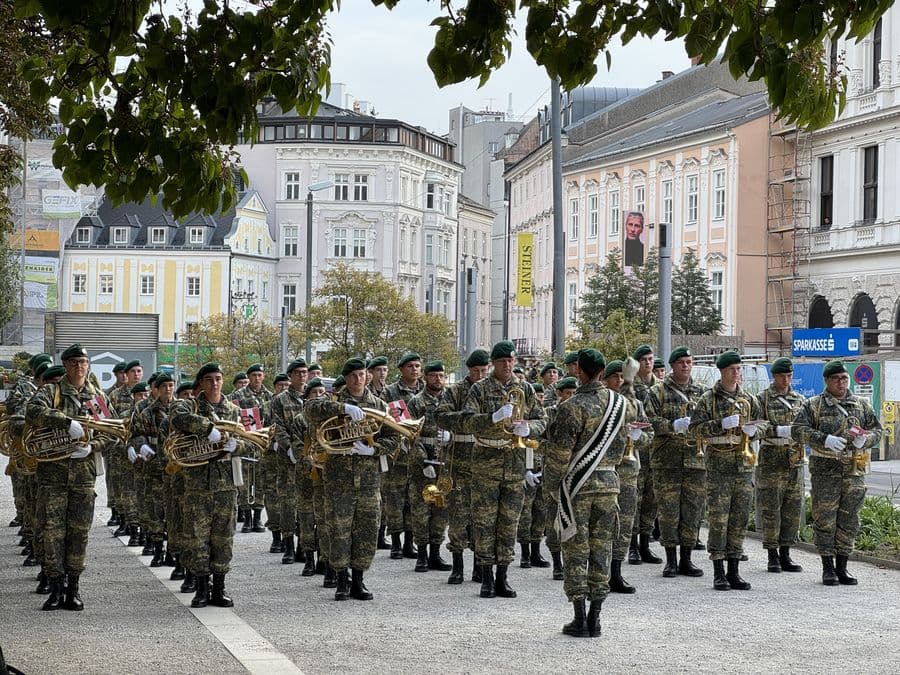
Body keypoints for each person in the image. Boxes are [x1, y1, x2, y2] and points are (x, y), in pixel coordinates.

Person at [544, 349, 633, 638]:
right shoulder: (622, 404)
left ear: (579, 370)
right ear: (603, 370)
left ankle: (579, 618)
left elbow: (558, 456)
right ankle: (596, 618)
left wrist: (551, 488)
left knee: (576, 549)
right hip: (609, 482)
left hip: (578, 487)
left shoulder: (571, 407)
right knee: (602, 549)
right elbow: (627, 434)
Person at [26, 344, 116, 611]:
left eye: (84, 362)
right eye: (74, 362)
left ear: (89, 365)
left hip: (83, 477)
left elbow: (110, 434)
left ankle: (73, 589)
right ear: (64, 365)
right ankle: (55, 588)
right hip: (52, 477)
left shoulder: (97, 397)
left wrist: (93, 447)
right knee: (51, 533)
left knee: (79, 533)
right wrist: (65, 422)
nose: (79, 366)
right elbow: (32, 413)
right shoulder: (51, 391)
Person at [457, 340, 546, 599]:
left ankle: (503, 576)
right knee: (484, 521)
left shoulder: (525, 388)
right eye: (502, 361)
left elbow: (542, 418)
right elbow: (465, 421)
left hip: (515, 460)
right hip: (486, 461)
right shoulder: (480, 389)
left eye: (511, 361)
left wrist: (530, 428)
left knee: (509, 521)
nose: (507, 365)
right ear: (493, 364)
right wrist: (492, 418)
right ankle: (485, 577)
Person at [304, 358, 399, 600]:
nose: (358, 379)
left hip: (368, 480)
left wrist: (373, 448)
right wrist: (342, 410)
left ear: (367, 376)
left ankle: (359, 579)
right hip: (339, 480)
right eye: (353, 375)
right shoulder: (333, 402)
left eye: (362, 374)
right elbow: (309, 410)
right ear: (346, 378)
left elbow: (394, 438)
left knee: (367, 530)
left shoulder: (378, 405)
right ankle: (341, 580)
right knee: (339, 530)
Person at [792, 360, 883, 586]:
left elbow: (877, 430)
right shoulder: (814, 405)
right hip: (826, 470)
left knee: (849, 519)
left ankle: (843, 566)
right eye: (836, 379)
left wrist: (867, 439)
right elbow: (797, 430)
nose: (841, 383)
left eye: (844, 378)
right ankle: (827, 567)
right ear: (827, 381)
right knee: (825, 519)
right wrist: (824, 439)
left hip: (854, 470)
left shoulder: (861, 404)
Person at [689, 351, 765, 591]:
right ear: (722, 371)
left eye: (739, 369)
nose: (737, 373)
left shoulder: (749, 399)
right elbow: (694, 431)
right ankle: (718, 571)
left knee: (739, 518)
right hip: (719, 466)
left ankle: (734, 570)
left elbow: (763, 426)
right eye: (732, 369)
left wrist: (755, 432)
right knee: (719, 519)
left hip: (743, 466)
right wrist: (719, 425)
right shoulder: (708, 400)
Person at [169, 362, 242, 608]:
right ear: (200, 383)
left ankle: (219, 588)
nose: (215, 383)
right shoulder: (188, 405)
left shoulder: (233, 409)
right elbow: (176, 416)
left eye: (219, 378)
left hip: (225, 485)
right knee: (197, 538)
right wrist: (206, 428)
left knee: (223, 538)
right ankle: (201, 589)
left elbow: (251, 441)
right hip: (196, 485)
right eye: (209, 379)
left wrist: (238, 447)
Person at [644, 346, 707, 578]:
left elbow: (708, 420)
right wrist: (671, 426)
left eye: (689, 362)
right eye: (681, 362)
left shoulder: (701, 391)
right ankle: (671, 559)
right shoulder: (657, 391)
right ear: (672, 365)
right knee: (668, 511)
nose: (686, 366)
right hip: (666, 461)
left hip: (695, 461)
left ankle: (687, 559)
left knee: (692, 511)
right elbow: (648, 419)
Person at [435, 348, 490, 584]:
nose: (479, 375)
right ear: (468, 370)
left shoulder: (490, 390)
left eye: (483, 371)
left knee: (482, 516)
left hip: (484, 459)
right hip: (458, 458)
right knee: (458, 514)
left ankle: (480, 564)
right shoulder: (456, 391)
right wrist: (462, 423)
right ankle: (457, 565)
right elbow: (441, 415)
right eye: (476, 371)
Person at [604, 359, 654, 594]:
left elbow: (649, 434)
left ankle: (616, 571)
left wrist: (637, 437)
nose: (620, 381)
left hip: (629, 471)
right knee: (603, 524)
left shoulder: (634, 404)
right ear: (605, 380)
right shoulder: (603, 403)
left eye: (623, 377)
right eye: (615, 377)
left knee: (624, 524)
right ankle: (600, 571)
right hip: (605, 471)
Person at [756, 357, 806, 573]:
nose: (786, 380)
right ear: (774, 376)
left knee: (792, 510)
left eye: (789, 376)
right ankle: (772, 554)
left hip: (794, 460)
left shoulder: (800, 399)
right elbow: (755, 427)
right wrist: (776, 430)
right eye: (781, 376)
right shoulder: (762, 399)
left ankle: (786, 552)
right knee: (771, 510)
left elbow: (806, 426)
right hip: (771, 460)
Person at [406, 361, 452, 573]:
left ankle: (435, 552)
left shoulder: (450, 399)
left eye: (441, 376)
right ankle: (422, 554)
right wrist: (422, 461)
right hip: (423, 464)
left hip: (445, 462)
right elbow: (410, 435)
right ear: (426, 378)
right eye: (433, 376)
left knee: (440, 509)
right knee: (421, 510)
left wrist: (452, 436)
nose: (438, 380)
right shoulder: (416, 402)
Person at [130, 372, 176, 567]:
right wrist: (141, 445)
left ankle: (173, 553)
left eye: (171, 385)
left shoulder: (180, 409)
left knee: (174, 513)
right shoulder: (147, 412)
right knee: (155, 511)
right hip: (154, 469)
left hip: (175, 470)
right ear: (156, 389)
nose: (168, 389)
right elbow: (136, 434)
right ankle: (158, 549)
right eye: (164, 386)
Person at [382, 352, 424, 560]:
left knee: (413, 499)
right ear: (401, 369)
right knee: (395, 499)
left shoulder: (426, 391)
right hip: (397, 454)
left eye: (417, 366)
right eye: (410, 366)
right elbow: (385, 420)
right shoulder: (391, 392)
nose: (414, 370)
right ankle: (396, 541)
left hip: (419, 453)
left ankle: (410, 541)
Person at [269, 359, 309, 565]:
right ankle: (288, 546)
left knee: (306, 502)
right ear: (291, 375)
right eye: (298, 373)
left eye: (305, 372)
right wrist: (289, 447)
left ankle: (304, 544)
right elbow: (278, 427)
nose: (302, 376)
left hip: (309, 459)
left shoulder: (314, 397)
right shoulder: (279, 400)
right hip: (288, 459)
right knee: (288, 502)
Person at [628, 345, 662, 565]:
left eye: (651, 359)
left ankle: (645, 543)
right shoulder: (630, 386)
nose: (648, 363)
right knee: (635, 498)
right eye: (644, 359)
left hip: (657, 448)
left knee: (651, 499)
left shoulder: (661, 387)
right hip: (637, 449)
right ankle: (631, 545)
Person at [230, 364, 273, 538]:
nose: (257, 378)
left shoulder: (270, 396)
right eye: (254, 375)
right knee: (245, 482)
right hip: (245, 444)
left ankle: (257, 517)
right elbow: (233, 417)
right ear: (249, 377)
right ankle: (247, 518)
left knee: (261, 482)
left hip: (262, 445)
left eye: (260, 375)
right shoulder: (237, 396)